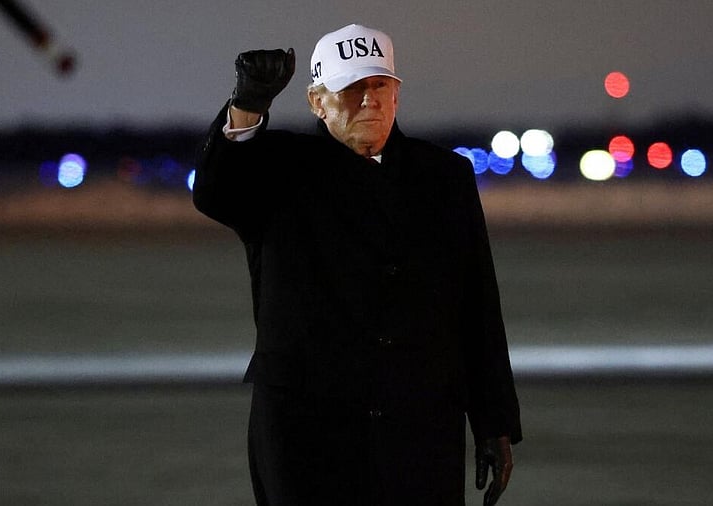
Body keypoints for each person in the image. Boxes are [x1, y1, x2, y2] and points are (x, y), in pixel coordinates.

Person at [193, 23, 522, 506]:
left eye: (379, 86)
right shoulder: (279, 168)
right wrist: (247, 107)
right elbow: (215, 193)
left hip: (419, 427)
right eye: (350, 89)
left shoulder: (444, 176)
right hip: (306, 432)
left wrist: (494, 422)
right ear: (316, 102)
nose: (369, 100)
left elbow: (477, 304)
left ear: (397, 95)